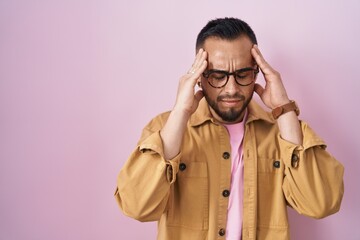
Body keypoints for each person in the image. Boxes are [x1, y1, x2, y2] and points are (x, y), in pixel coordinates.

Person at [114, 17, 344, 240]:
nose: (231, 89)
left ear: (257, 73)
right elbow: (137, 207)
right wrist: (181, 111)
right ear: (199, 77)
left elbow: (321, 204)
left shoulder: (284, 131)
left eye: (242, 74)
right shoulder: (165, 129)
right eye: (217, 76)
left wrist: (284, 109)